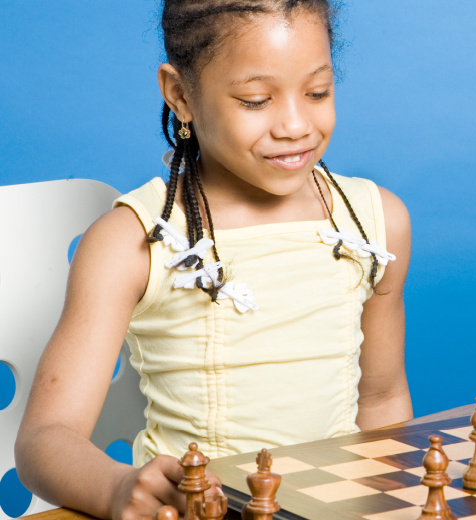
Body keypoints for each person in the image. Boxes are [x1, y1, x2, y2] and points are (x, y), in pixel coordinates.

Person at [14, 1, 413, 518]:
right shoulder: (135, 241)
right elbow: (45, 439)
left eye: (318, 92)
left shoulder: (375, 222)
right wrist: (118, 490)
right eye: (255, 100)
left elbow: (381, 402)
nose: (295, 124)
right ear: (180, 94)